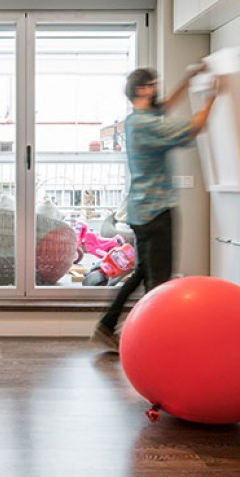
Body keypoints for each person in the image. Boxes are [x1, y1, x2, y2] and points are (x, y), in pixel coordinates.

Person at [91, 64, 217, 353]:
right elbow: (193, 128)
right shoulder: (147, 125)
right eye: (154, 83)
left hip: (139, 211)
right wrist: (212, 97)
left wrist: (187, 79)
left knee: (141, 273)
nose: (158, 87)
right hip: (157, 211)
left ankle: (108, 324)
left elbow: (166, 106)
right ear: (142, 89)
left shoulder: (136, 120)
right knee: (159, 282)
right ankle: (154, 342)